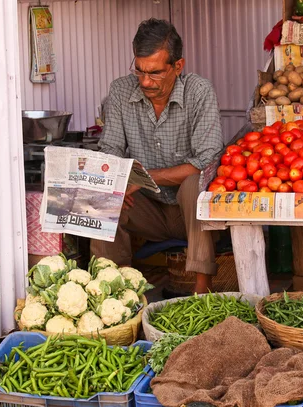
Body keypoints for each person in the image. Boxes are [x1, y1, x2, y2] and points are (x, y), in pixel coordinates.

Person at [91, 18, 224, 293]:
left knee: (193, 184)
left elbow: (208, 161)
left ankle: (202, 292)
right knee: (103, 197)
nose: (145, 81)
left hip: (191, 211)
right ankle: (115, 291)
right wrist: (116, 184)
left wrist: (145, 178)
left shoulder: (199, 92)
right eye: (139, 71)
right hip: (147, 209)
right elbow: (111, 150)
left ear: (178, 66)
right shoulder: (120, 91)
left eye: (155, 73)